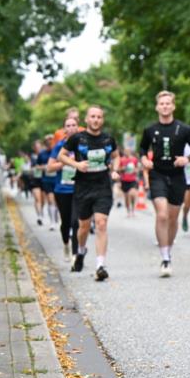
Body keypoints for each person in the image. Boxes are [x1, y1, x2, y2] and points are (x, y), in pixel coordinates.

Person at [138, 91, 190, 277]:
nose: (165, 106)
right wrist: (144, 159)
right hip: (158, 174)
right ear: (157, 107)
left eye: (168, 103)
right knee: (162, 215)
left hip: (177, 176)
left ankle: (168, 249)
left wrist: (187, 159)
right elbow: (142, 148)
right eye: (162, 104)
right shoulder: (150, 129)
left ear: (173, 106)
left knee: (173, 218)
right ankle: (165, 257)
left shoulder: (184, 129)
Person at [58, 106, 120, 281]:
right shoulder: (77, 138)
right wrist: (77, 165)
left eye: (99, 117)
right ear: (86, 119)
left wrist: (115, 170)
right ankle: (81, 251)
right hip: (83, 187)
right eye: (92, 116)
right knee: (83, 227)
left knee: (101, 223)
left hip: (102, 186)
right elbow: (62, 156)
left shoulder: (108, 139)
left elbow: (116, 156)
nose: (96, 120)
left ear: (102, 120)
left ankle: (100, 265)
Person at [47, 114, 81, 261]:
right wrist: (66, 162)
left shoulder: (83, 145)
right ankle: (66, 244)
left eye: (74, 125)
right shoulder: (59, 146)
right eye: (68, 125)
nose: (71, 128)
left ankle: (75, 254)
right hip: (62, 189)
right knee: (65, 222)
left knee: (75, 222)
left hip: (79, 188)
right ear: (64, 129)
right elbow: (49, 167)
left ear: (78, 127)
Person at [39, 134, 59, 227]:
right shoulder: (42, 153)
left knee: (57, 202)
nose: (49, 142)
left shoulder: (58, 151)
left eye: (51, 140)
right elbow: (37, 166)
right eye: (47, 141)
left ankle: (56, 217)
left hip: (57, 179)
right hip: (47, 180)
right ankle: (52, 222)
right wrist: (44, 167)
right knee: (51, 200)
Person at [118, 148, 139, 217]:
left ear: (130, 152)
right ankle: (128, 211)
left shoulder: (134, 159)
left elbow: (137, 168)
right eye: (125, 151)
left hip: (132, 180)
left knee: (132, 194)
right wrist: (122, 168)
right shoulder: (121, 159)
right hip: (124, 180)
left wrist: (135, 170)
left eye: (127, 151)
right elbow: (118, 169)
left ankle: (133, 210)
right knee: (126, 197)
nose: (126, 152)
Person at [30, 140, 46, 225]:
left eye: (39, 147)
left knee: (43, 200)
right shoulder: (32, 157)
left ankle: (41, 212)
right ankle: (39, 216)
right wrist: (34, 169)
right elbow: (31, 167)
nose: (38, 148)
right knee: (37, 198)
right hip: (35, 180)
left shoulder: (44, 155)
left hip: (44, 179)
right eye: (36, 147)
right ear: (34, 148)